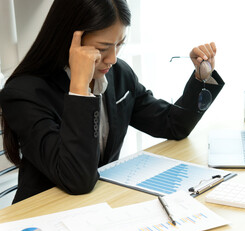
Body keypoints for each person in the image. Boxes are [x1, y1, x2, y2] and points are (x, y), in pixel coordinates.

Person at [0, 0, 224, 204]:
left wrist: (201, 77)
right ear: (69, 41)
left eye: (119, 45)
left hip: (99, 205)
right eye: (102, 48)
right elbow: (77, 179)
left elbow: (173, 124)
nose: (113, 59)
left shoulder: (118, 74)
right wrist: (79, 88)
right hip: (43, 216)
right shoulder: (24, 92)